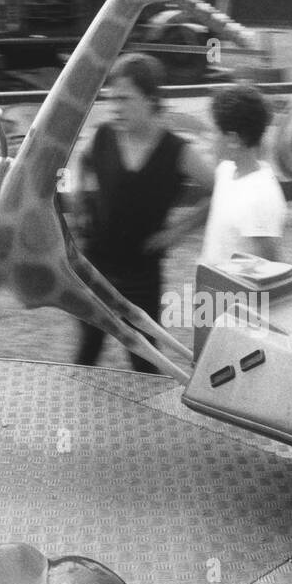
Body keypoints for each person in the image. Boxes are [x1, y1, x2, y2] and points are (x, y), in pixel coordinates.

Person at [67, 53, 211, 373]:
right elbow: (83, 160)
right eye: (111, 98)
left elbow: (216, 189)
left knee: (145, 360)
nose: (115, 106)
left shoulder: (177, 151)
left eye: (125, 98)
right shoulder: (103, 135)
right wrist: (79, 201)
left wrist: (176, 233)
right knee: (86, 352)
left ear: (151, 99)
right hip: (95, 267)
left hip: (142, 272)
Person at [199, 83, 287, 266]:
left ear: (233, 140)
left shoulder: (260, 197)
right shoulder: (226, 171)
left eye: (214, 132)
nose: (209, 138)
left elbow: (271, 270)